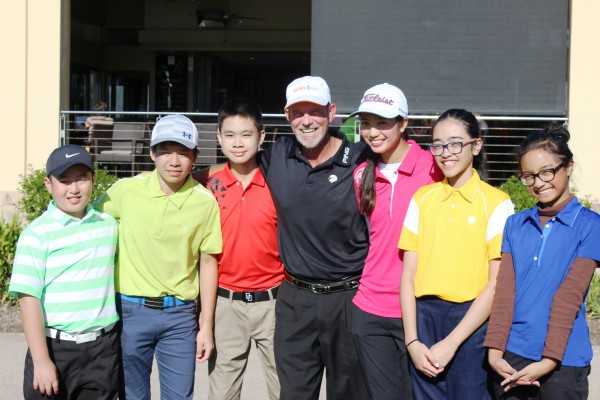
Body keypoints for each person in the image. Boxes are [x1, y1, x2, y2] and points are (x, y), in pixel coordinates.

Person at [95, 114, 222, 400]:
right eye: (165, 151)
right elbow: (90, 225)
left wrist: (206, 326)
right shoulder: (126, 191)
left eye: (183, 152)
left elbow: (208, 262)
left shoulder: (205, 202)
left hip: (180, 316)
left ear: (195, 156)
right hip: (130, 311)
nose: (174, 161)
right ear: (152, 153)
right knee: (132, 396)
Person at [258, 76, 370, 399]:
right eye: (298, 112)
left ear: (331, 112)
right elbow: (234, 170)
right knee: (293, 394)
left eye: (315, 111)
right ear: (287, 116)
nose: (306, 121)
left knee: (350, 394)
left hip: (348, 300)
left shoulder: (362, 160)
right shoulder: (277, 155)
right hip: (296, 300)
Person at [398, 109, 515, 399]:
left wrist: (452, 342)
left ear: (476, 145)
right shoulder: (423, 199)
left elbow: (496, 283)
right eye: (437, 144)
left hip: (471, 323)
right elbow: (408, 278)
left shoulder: (497, 203)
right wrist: (412, 340)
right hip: (423, 319)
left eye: (455, 143)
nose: (445, 152)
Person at [484, 126, 600, 400]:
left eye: (547, 172)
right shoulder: (515, 223)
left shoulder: (590, 225)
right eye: (528, 176)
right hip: (511, 357)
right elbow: (505, 292)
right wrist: (494, 351)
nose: (538, 182)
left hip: (564, 361)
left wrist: (548, 361)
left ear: (568, 166)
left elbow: (569, 296)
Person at [350, 83, 443, 399]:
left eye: (382, 122)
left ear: (403, 122)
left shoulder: (434, 167)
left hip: (421, 308)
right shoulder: (361, 173)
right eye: (366, 123)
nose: (372, 132)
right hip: (370, 309)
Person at [9, 144, 119, 399]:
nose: (74, 189)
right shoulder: (36, 234)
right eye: (65, 181)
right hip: (55, 349)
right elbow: (28, 300)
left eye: (81, 179)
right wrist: (41, 360)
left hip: (103, 350)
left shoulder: (108, 224)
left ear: (93, 179)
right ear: (49, 184)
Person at [206, 98, 284, 400]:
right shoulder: (207, 183)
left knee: (284, 388)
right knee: (223, 391)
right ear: (219, 137)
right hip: (226, 303)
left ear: (262, 136)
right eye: (229, 135)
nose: (238, 143)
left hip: (274, 301)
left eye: (246, 134)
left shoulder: (278, 180)